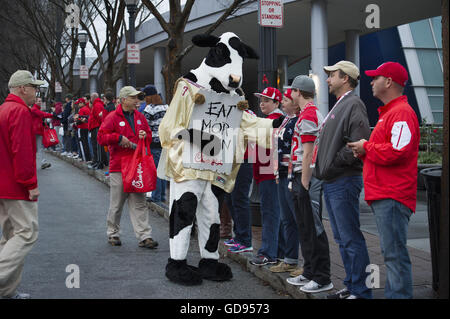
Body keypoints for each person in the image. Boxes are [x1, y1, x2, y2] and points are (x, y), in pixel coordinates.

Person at [348, 62, 419, 299]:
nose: (371, 82)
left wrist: (366, 146)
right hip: (387, 194)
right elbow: (394, 148)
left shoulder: (400, 112)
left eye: (375, 77)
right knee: (392, 254)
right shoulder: (394, 112)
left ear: (388, 82)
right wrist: (367, 149)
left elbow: (397, 150)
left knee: (394, 255)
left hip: (392, 194)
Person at [313, 61, 372, 299]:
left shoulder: (353, 103)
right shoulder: (342, 104)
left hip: (343, 180)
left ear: (345, 78)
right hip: (335, 180)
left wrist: (332, 165)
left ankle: (362, 290)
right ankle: (353, 285)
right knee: (343, 238)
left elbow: (358, 144)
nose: (327, 79)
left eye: (331, 75)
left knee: (350, 238)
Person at [284, 75, 333, 293]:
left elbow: (309, 152)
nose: (289, 95)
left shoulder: (310, 113)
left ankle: (322, 276)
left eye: (291, 91)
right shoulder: (306, 113)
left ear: (298, 92)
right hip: (301, 176)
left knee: (313, 226)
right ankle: (310, 271)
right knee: (305, 226)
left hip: (307, 177)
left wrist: (303, 182)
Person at [97, 86, 158, 249]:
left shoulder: (140, 117)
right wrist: (118, 138)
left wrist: (146, 136)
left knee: (139, 202)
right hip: (119, 166)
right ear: (124, 100)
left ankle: (145, 235)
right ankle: (113, 233)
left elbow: (149, 135)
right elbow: (101, 137)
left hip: (136, 165)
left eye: (137, 98)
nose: (137, 101)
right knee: (117, 203)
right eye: (134, 98)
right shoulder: (112, 117)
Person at [0, 70, 44, 299]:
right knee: (27, 233)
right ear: (22, 88)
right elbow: (23, 152)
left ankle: (7, 291)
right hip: (16, 185)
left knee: (10, 237)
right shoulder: (19, 111)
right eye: (33, 87)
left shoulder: (4, 110)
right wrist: (30, 183)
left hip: (3, 183)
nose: (36, 92)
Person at [250, 87, 284, 266]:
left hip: (270, 172)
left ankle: (268, 253)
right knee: (275, 213)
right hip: (269, 172)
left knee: (270, 213)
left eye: (267, 100)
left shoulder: (275, 121)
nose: (262, 103)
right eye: (261, 99)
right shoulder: (272, 120)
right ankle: (279, 252)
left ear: (277, 103)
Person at [269, 88, 302, 274]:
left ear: (295, 103)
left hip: (292, 173)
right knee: (287, 218)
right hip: (281, 173)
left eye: (286, 100)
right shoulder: (285, 120)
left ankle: (304, 263)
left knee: (297, 218)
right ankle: (289, 259)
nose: (282, 102)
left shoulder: (298, 120)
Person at [223, 109, 257, 254]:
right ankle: (238, 236)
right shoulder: (226, 113)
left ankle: (245, 240)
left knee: (240, 199)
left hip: (243, 160)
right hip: (229, 161)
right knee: (230, 199)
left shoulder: (248, 114)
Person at [142, 85, 168, 203]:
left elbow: (144, 125)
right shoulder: (166, 107)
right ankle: (162, 195)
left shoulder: (149, 109)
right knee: (162, 170)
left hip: (153, 143)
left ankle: (155, 197)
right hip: (165, 142)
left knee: (155, 171)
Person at [31, 97, 54, 169]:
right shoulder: (34, 109)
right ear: (35, 102)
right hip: (36, 131)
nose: (40, 102)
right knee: (37, 147)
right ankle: (41, 162)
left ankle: (40, 162)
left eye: (40, 101)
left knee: (37, 147)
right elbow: (42, 114)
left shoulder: (36, 109)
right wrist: (53, 115)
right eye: (38, 101)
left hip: (37, 131)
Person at [88, 92, 108, 169]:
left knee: (97, 146)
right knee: (96, 146)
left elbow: (99, 117)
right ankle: (97, 161)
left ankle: (99, 162)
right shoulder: (97, 105)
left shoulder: (97, 105)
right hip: (95, 127)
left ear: (93, 98)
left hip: (96, 127)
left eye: (91, 98)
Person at [75, 98, 92, 162]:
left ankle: (84, 158)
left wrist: (76, 121)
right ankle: (88, 158)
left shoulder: (82, 109)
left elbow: (80, 119)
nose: (78, 105)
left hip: (82, 128)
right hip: (87, 128)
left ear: (82, 103)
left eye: (79, 103)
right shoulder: (87, 108)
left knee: (82, 144)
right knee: (86, 143)